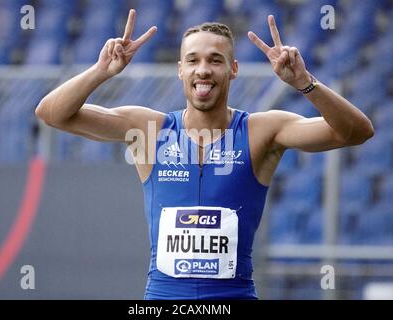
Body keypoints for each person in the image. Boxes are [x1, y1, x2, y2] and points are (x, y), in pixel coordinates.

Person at [35, 9, 374, 299]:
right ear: (180, 69)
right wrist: (101, 72)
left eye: (216, 60)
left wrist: (304, 82)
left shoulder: (262, 131)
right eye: (193, 60)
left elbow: (356, 131)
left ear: (234, 69)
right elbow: (51, 113)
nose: (203, 70)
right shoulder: (148, 129)